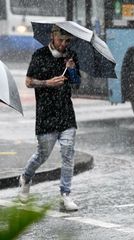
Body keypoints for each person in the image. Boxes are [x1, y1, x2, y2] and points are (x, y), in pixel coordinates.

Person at [18, 25, 81, 211]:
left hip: (66, 114)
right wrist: (48, 83)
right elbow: (28, 82)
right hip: (46, 114)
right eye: (61, 40)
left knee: (68, 153)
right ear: (53, 36)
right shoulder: (39, 55)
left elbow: (76, 84)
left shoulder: (71, 56)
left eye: (67, 41)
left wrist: (71, 70)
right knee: (42, 154)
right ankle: (25, 178)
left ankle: (65, 194)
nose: (64, 44)